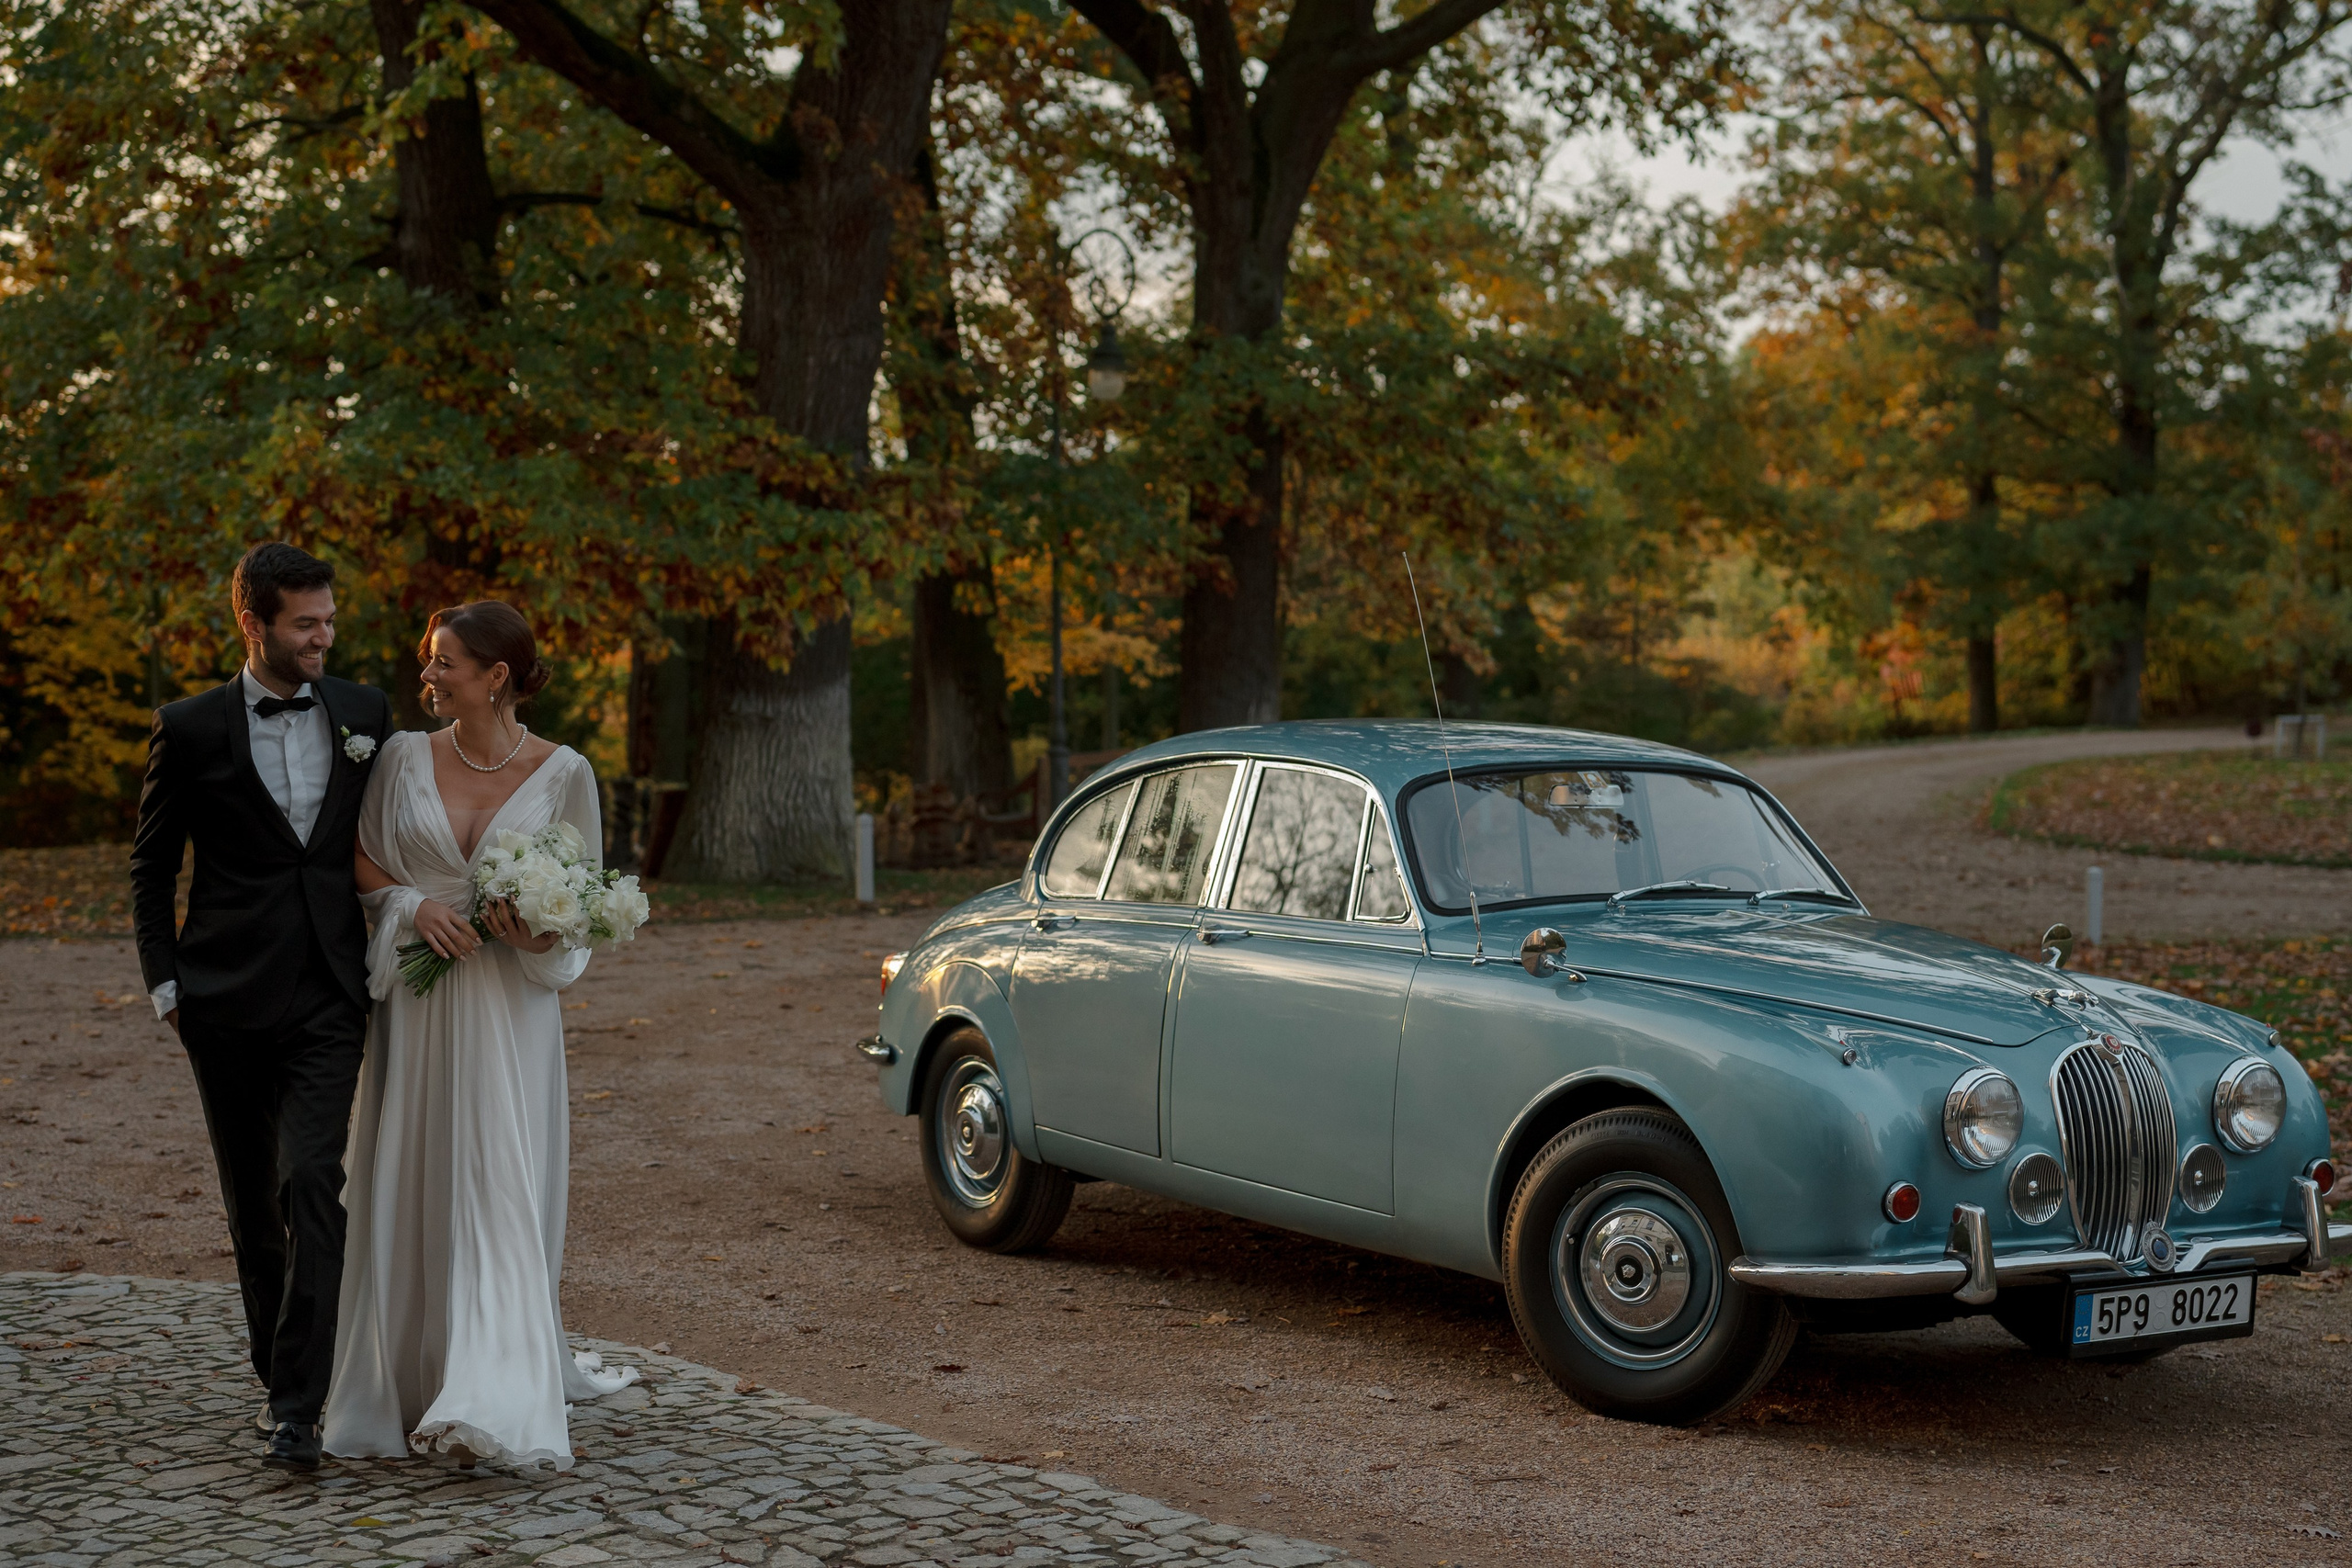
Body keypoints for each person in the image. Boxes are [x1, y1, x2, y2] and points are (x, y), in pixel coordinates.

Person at [324, 601, 634, 1470]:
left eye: (445, 662)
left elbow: (577, 904)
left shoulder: (566, 771)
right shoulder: (398, 758)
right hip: (419, 1011)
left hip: (508, 1012)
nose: (427, 675)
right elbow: (363, 858)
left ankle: (493, 1387)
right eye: (429, 660)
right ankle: (409, 1376)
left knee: (497, 1182)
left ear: (496, 676)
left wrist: (537, 929)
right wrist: (413, 904)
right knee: (413, 1174)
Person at [129, 541, 394, 1472]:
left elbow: (394, 830)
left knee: (312, 1178)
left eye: (329, 620)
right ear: (254, 624)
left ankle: (298, 1406)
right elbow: (152, 865)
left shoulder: (366, 713)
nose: (325, 637)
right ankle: (274, 1370)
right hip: (224, 997)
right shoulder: (190, 726)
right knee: (254, 1206)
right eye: (306, 624)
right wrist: (167, 983)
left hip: (331, 988)